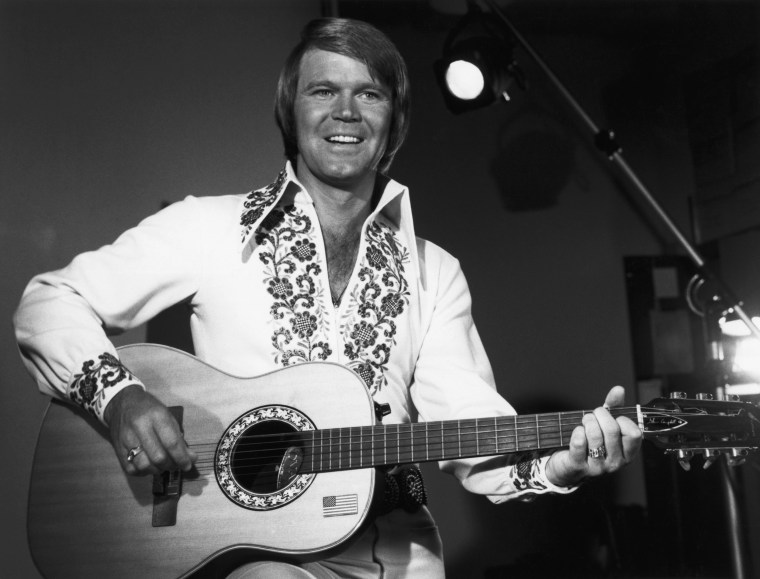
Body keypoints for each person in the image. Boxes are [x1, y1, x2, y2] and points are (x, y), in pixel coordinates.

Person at [14, 17, 641, 579]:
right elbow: (48, 302)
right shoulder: (206, 226)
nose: (346, 111)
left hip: (400, 557)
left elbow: (473, 437)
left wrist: (560, 468)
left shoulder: (434, 271)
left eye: (369, 93)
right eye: (323, 91)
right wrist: (120, 398)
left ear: (394, 119)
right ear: (292, 113)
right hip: (253, 558)